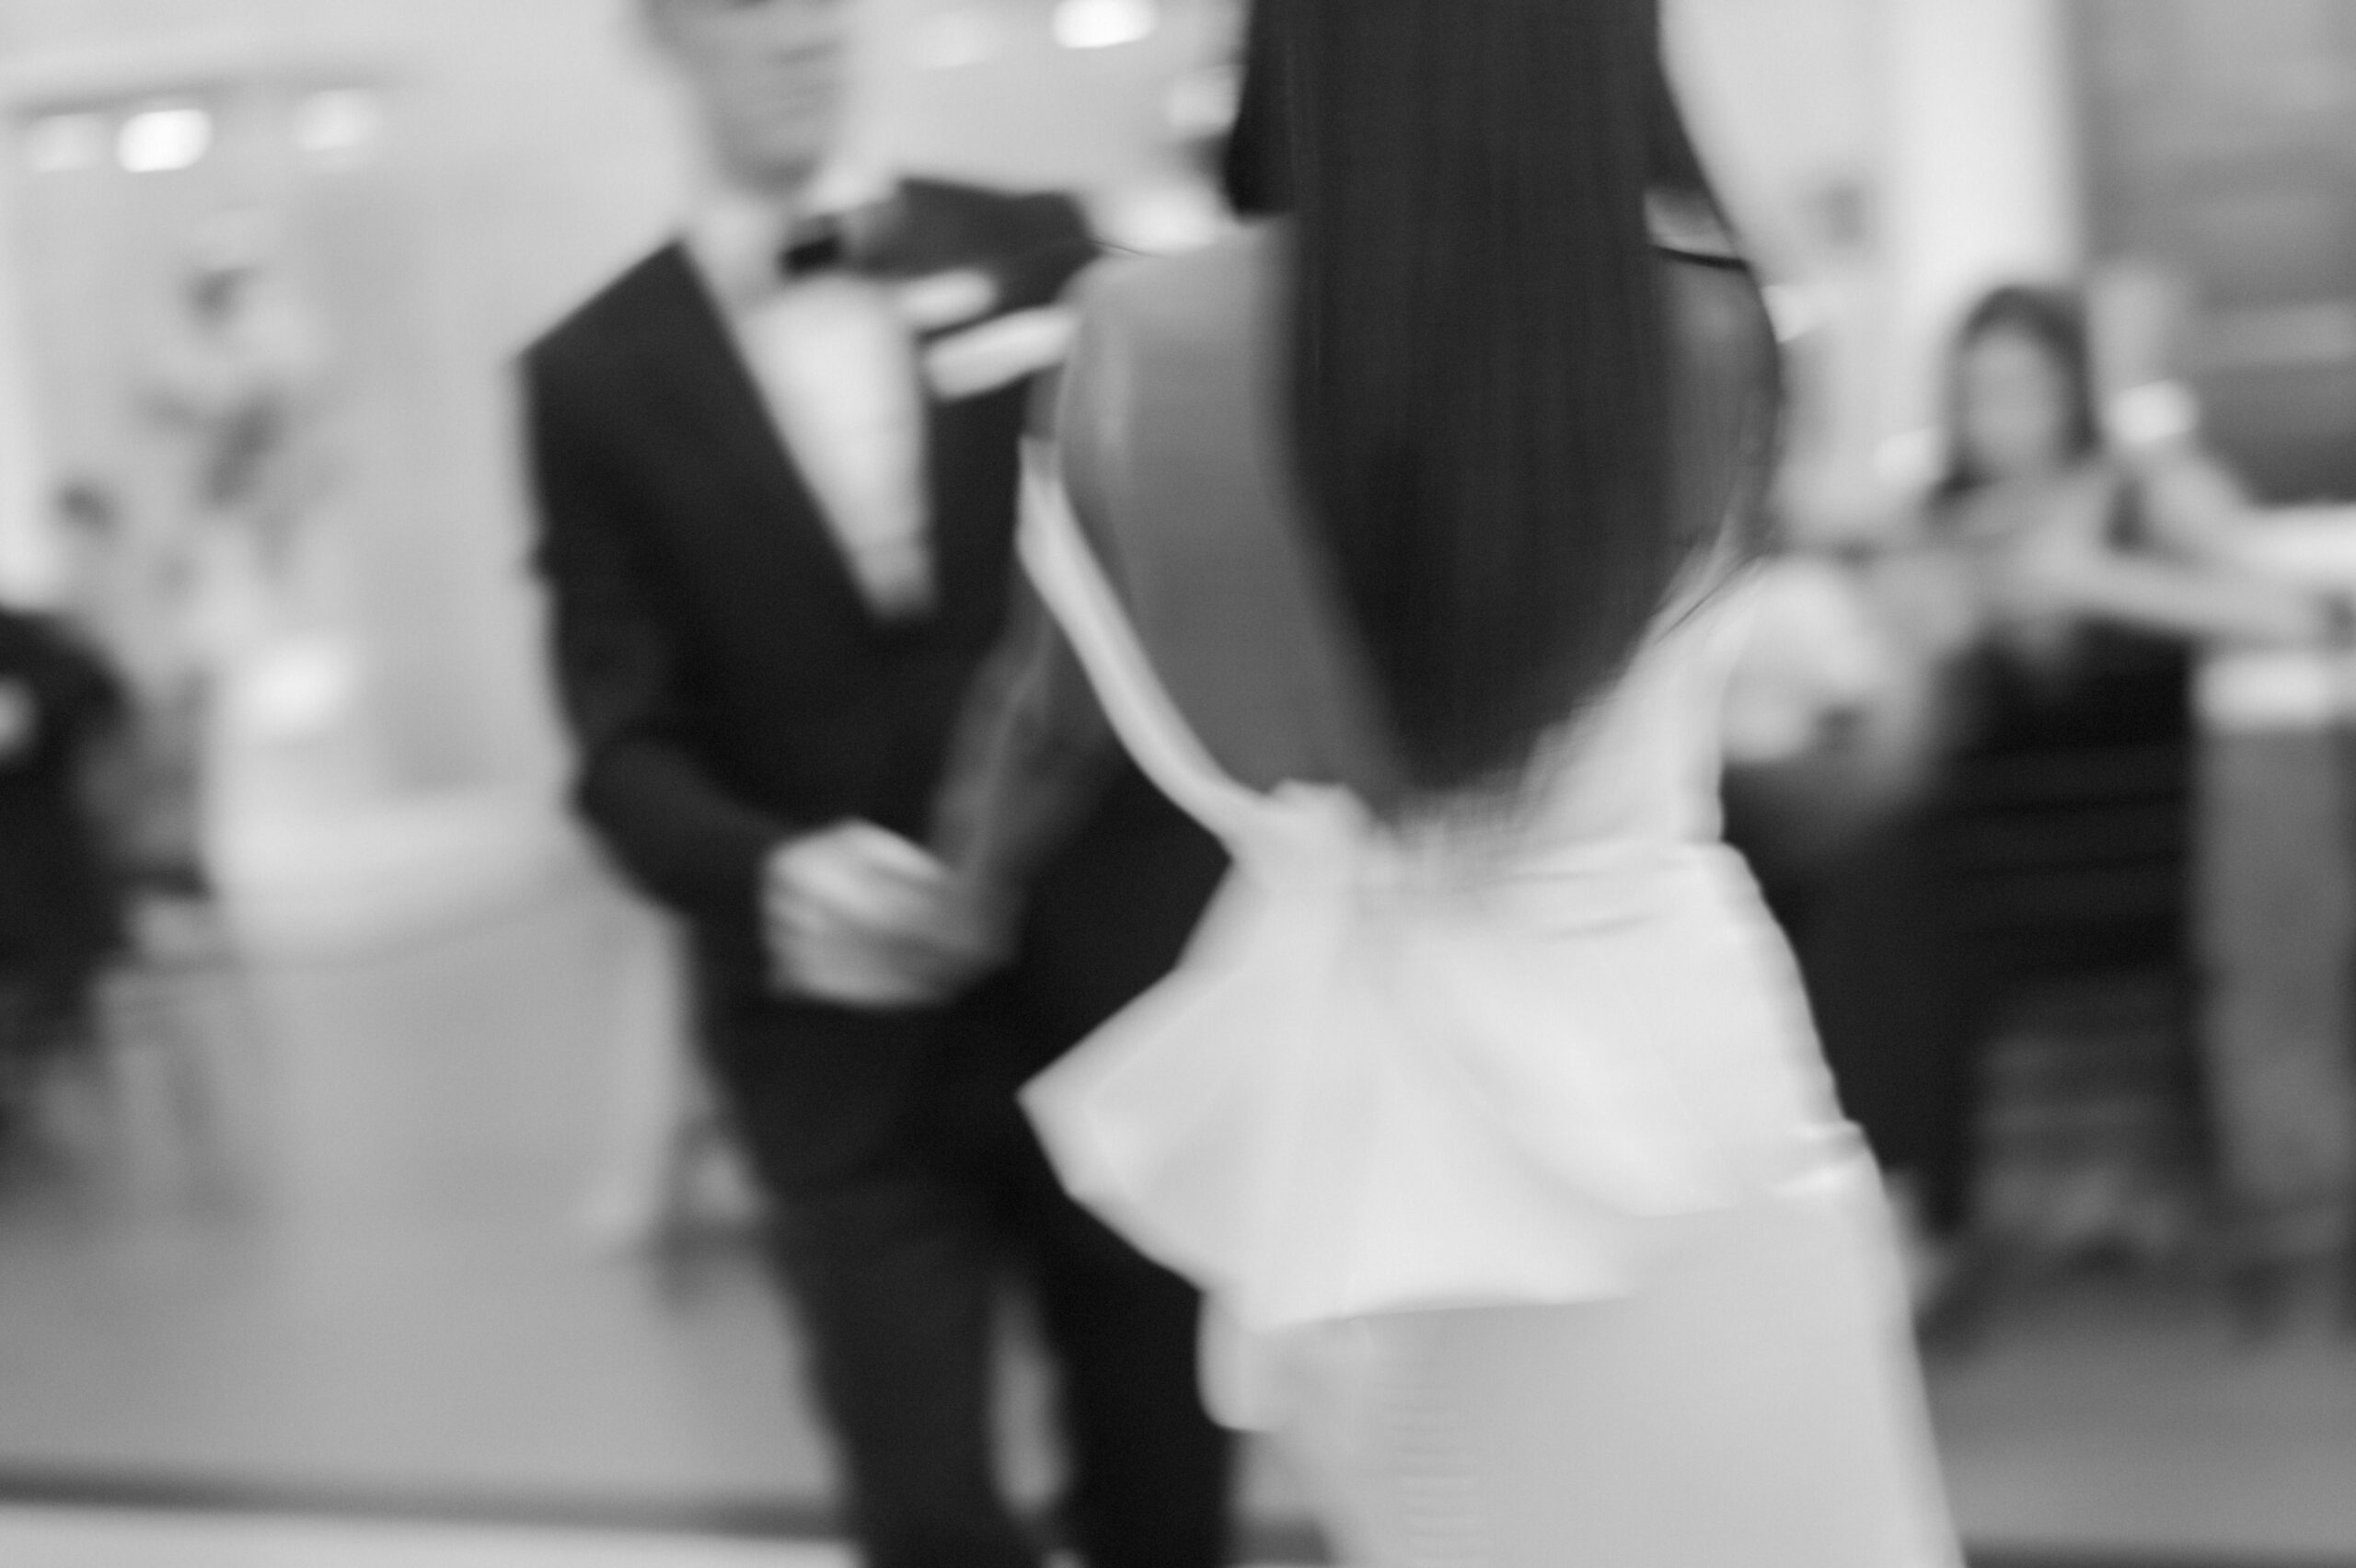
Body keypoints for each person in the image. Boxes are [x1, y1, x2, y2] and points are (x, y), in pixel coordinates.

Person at [925, 1, 1959, 1561]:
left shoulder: (1131, 342)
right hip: (1672, 1092)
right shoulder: (1711, 334)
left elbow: (1042, 713)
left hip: (1352, 1127)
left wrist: (952, 889)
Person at [521, 3, 1230, 1565]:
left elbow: (1170, 574)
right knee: (922, 1506)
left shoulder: (1047, 252)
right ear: (665, 37)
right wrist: (770, 870)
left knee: (1165, 1488)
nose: (799, 37)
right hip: (836, 1042)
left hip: (1105, 977)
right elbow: (618, 747)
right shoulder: (591, 373)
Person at [1875, 284, 2327, 1287]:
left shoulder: (2146, 494)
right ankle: (1905, 1209)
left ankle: (1920, 1220)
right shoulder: (1932, 522)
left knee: (1883, 893)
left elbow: (2291, 616)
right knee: (1874, 877)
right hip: (1983, 886)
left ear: (2072, 387)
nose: (2002, 417)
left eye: (2025, 387)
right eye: (1979, 392)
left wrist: (2089, 578)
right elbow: (1899, 753)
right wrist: (1928, 643)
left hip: (2136, 879)